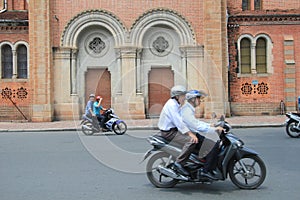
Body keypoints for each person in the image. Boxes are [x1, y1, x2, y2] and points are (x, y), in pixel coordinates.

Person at [181, 89, 223, 180]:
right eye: (198, 98)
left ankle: (208, 166)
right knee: (214, 145)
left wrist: (211, 125)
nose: (200, 101)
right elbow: (196, 126)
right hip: (190, 135)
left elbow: (196, 123)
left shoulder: (189, 109)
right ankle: (205, 171)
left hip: (193, 133)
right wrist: (214, 129)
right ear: (193, 99)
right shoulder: (186, 111)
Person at [157, 85, 198, 176]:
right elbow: (178, 122)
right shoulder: (172, 105)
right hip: (169, 132)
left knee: (197, 136)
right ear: (177, 96)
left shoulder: (176, 104)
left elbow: (183, 119)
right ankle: (179, 164)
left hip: (174, 130)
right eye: (183, 96)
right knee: (191, 141)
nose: (184, 98)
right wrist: (190, 134)